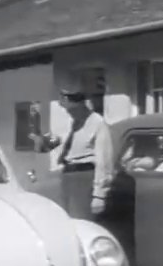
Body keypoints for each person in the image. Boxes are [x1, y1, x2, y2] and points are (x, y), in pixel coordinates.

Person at [30, 76, 114, 221]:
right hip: (66, 176)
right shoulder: (69, 123)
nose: (68, 112)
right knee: (64, 221)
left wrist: (99, 195)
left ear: (81, 104)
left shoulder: (97, 123)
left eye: (71, 109)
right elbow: (48, 145)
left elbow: (104, 162)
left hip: (85, 177)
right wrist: (37, 130)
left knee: (81, 222)